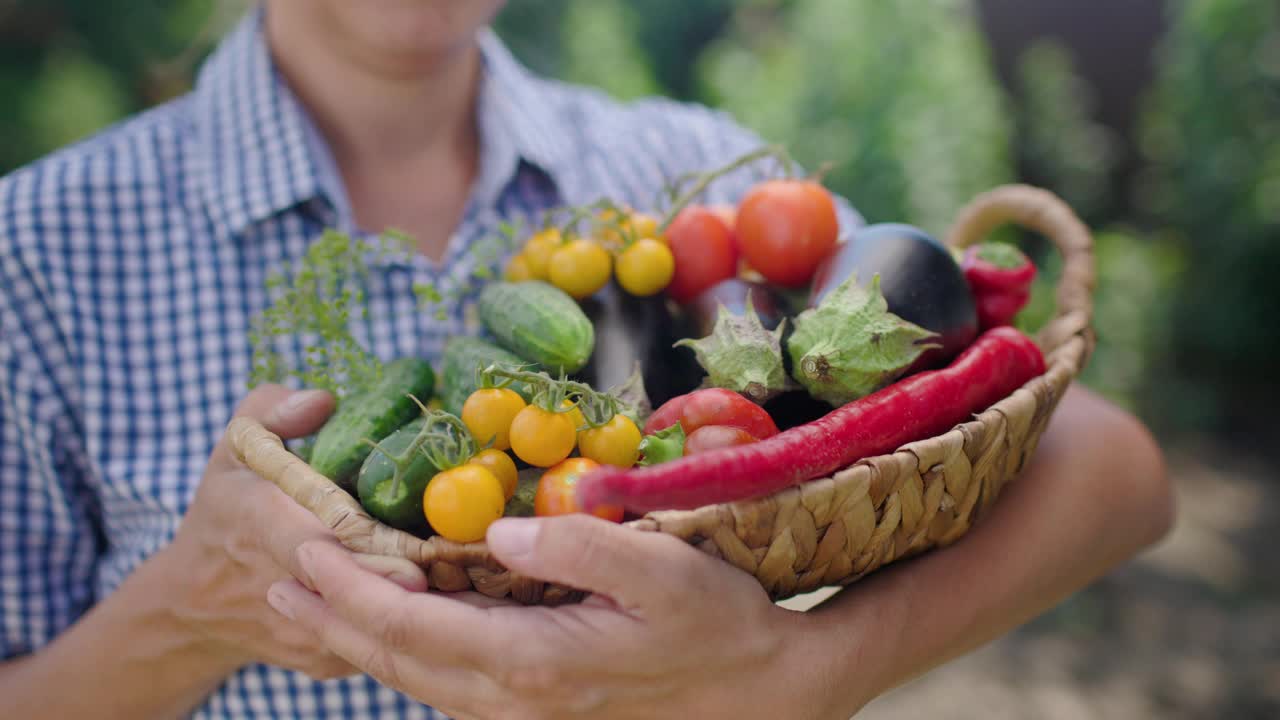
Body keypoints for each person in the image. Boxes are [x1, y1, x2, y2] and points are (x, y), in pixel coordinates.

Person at [0, 2, 1172, 718]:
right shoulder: (38, 252)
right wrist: (183, 613)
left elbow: (1114, 468)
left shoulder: (693, 172)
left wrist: (811, 672)